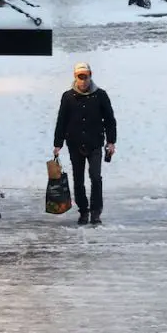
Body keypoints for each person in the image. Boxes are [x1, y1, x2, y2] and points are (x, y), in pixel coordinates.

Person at [52, 62, 117, 225]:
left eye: (85, 76)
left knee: (95, 177)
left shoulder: (100, 95)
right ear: (75, 77)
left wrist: (111, 141)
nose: (83, 80)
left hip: (95, 142)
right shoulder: (68, 97)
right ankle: (83, 211)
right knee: (78, 179)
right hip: (75, 143)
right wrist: (58, 143)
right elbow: (62, 120)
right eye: (80, 77)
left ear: (90, 75)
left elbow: (110, 120)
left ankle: (96, 212)